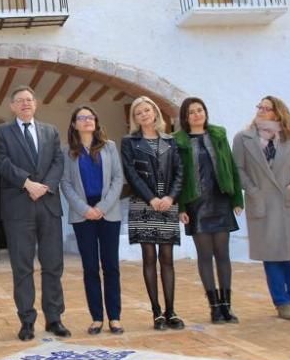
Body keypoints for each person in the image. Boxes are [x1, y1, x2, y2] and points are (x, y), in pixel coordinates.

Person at [0, 85, 70, 340]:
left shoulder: (50, 131)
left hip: (48, 205)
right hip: (18, 208)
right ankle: (26, 321)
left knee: (53, 265)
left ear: (35, 104)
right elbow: (2, 163)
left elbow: (58, 161)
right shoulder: (2, 132)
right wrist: (27, 183)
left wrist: (44, 186)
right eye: (20, 100)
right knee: (22, 267)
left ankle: (54, 318)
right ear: (12, 106)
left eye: (29, 99)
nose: (25, 103)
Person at [232, 96, 290, 321]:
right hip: (262, 201)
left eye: (266, 108)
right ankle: (281, 301)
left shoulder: (289, 136)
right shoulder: (243, 138)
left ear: (277, 113)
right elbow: (239, 169)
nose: (260, 111)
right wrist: (253, 190)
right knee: (271, 254)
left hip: (286, 201)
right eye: (259, 107)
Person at [174, 97, 244, 324]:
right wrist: (181, 206)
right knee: (205, 255)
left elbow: (230, 165)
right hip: (196, 203)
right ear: (185, 117)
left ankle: (227, 305)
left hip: (220, 198)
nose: (196, 114)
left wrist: (237, 198)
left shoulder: (218, 134)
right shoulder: (179, 140)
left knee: (223, 254)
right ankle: (214, 306)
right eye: (191, 112)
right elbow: (178, 176)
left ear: (205, 112)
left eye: (200, 110)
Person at [121, 96, 184, 331]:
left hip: (167, 205)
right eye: (139, 113)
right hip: (143, 205)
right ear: (134, 118)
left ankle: (171, 311)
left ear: (155, 112)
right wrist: (152, 198)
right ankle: (156, 312)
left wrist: (170, 198)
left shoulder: (171, 140)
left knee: (167, 259)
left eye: (147, 110)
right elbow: (131, 174)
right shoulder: (129, 141)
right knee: (149, 258)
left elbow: (179, 172)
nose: (144, 115)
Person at [61, 105, 125, 335]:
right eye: (82, 118)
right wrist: (84, 208)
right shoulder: (67, 152)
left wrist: (102, 207)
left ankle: (115, 317)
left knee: (111, 266)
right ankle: (97, 317)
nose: (87, 121)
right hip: (82, 214)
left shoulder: (109, 147)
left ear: (96, 122)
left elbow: (118, 178)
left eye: (91, 117)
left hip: (108, 212)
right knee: (90, 267)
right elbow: (66, 184)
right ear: (74, 124)